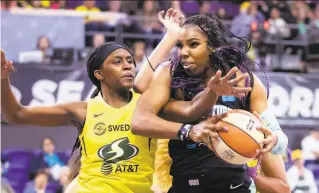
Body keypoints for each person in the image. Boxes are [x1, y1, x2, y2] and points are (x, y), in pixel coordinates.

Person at [1, 8, 250, 193]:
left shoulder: (149, 105)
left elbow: (189, 108)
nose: (128, 66)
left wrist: (173, 37)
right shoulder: (83, 110)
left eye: (130, 61)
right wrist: (3, 80)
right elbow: (16, 115)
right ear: (99, 74)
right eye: (117, 62)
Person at [132, 12, 289, 193]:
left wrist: (273, 139)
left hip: (235, 186)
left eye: (193, 44)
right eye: (180, 45)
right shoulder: (170, 74)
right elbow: (140, 119)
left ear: (213, 47)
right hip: (185, 184)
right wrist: (188, 131)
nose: (183, 53)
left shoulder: (246, 81)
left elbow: (279, 140)